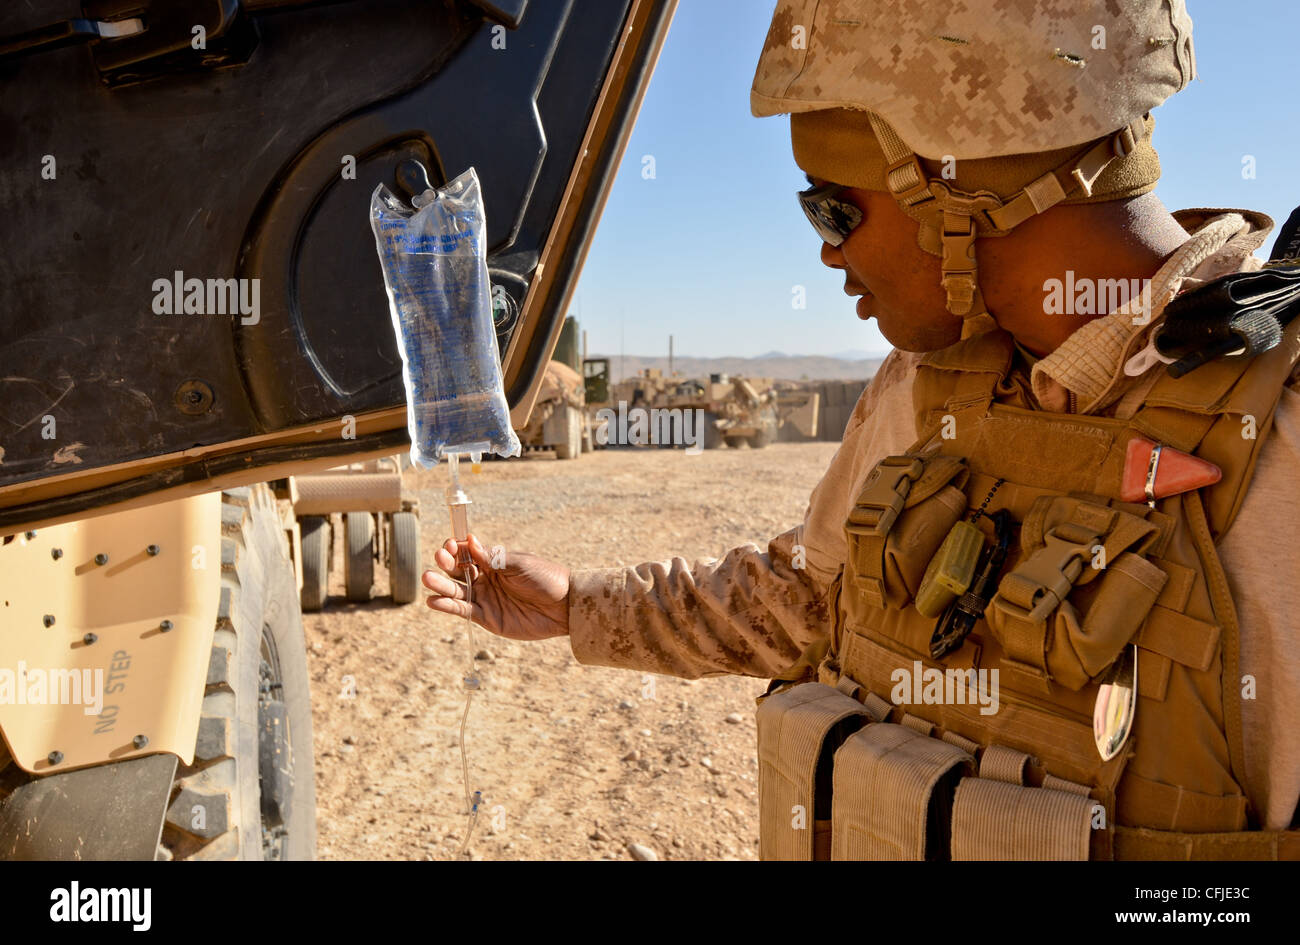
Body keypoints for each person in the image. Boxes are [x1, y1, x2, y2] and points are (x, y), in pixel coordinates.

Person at [425, 0, 1299, 859]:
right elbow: (810, 602)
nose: (827, 253)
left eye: (833, 208)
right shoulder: (922, 392)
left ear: (965, 187)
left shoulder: (1282, 441)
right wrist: (579, 605)